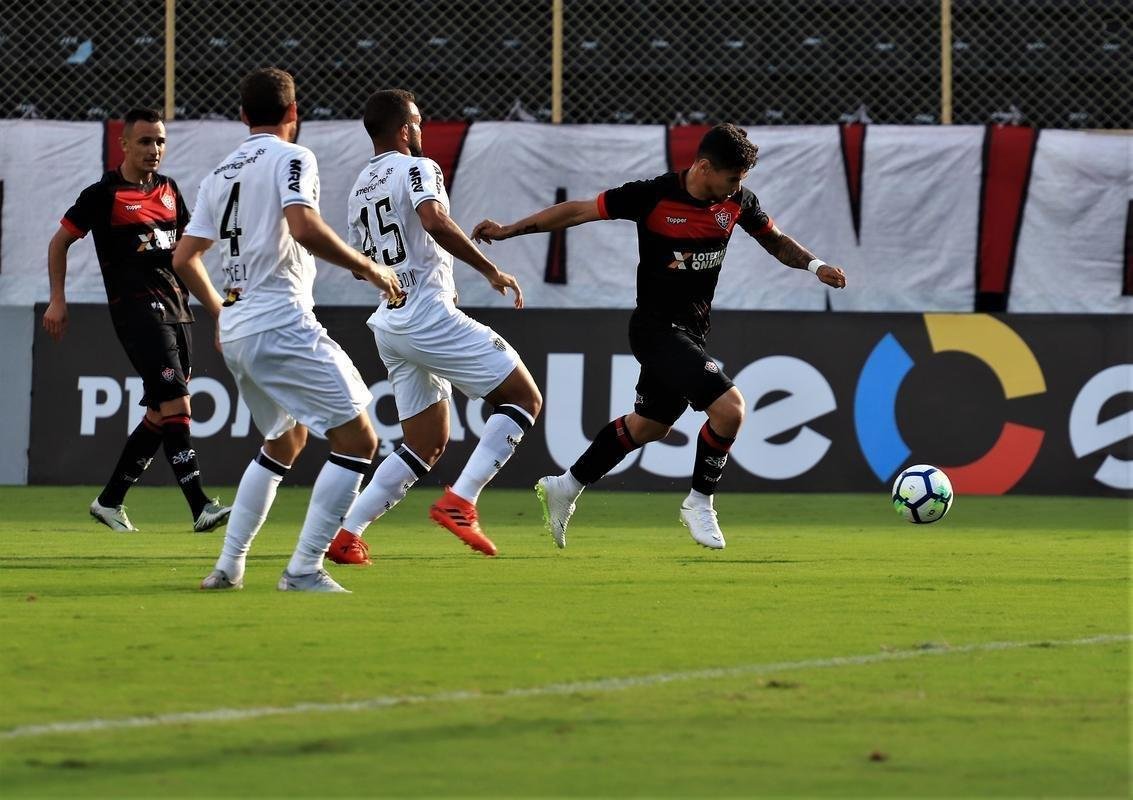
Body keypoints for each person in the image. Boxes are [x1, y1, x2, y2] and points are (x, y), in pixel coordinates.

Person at [472, 123, 847, 550]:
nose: (735, 188)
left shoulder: (737, 201)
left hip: (692, 332)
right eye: (731, 179)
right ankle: (700, 503)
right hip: (655, 329)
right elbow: (577, 211)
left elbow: (775, 241)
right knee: (730, 410)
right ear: (704, 167)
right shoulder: (653, 196)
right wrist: (509, 230)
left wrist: (816, 266)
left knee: (649, 426)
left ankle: (565, 486)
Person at [173, 67, 401, 592]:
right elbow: (303, 226)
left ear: (242, 115)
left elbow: (185, 258)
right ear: (294, 113)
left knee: (285, 439)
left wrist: (221, 312)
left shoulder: (219, 174)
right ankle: (303, 569)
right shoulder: (293, 157)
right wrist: (368, 267)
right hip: (280, 321)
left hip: (240, 328)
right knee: (358, 440)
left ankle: (229, 566)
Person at [324, 89, 541, 565]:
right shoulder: (418, 167)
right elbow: (434, 219)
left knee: (425, 444)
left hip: (391, 321)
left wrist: (402, 272)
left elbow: (360, 265)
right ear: (405, 130)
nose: (421, 130)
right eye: (418, 122)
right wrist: (489, 270)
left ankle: (346, 535)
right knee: (523, 399)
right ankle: (461, 501)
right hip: (426, 314)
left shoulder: (360, 187)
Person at [43, 108, 230, 534]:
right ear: (124, 144)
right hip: (138, 312)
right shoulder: (103, 194)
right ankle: (200, 506)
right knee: (177, 403)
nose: (154, 149)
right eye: (145, 141)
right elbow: (59, 243)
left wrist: (216, 305)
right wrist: (58, 299)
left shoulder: (169, 190)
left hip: (178, 309)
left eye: (160, 141)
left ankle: (109, 501)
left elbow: (188, 254)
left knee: (161, 414)